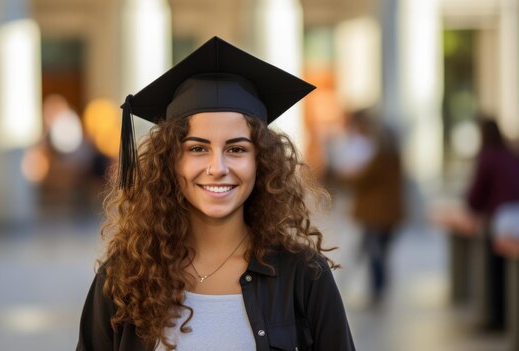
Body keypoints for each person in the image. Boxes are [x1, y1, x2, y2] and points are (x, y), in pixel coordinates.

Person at [77, 37, 355, 351]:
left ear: (260, 161)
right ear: (170, 160)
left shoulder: (304, 276)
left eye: (236, 149)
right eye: (197, 148)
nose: (217, 167)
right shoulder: (126, 277)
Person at [335, 109, 404, 304]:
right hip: (386, 212)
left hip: (377, 212)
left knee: (374, 252)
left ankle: (376, 290)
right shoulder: (392, 155)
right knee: (377, 250)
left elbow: (363, 179)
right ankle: (376, 289)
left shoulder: (381, 156)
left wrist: (345, 174)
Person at [466, 118, 519, 330]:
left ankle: (498, 318)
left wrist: (472, 206)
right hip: (514, 212)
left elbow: (477, 191)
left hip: (503, 217)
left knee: (497, 269)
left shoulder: (487, 156)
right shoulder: (509, 153)